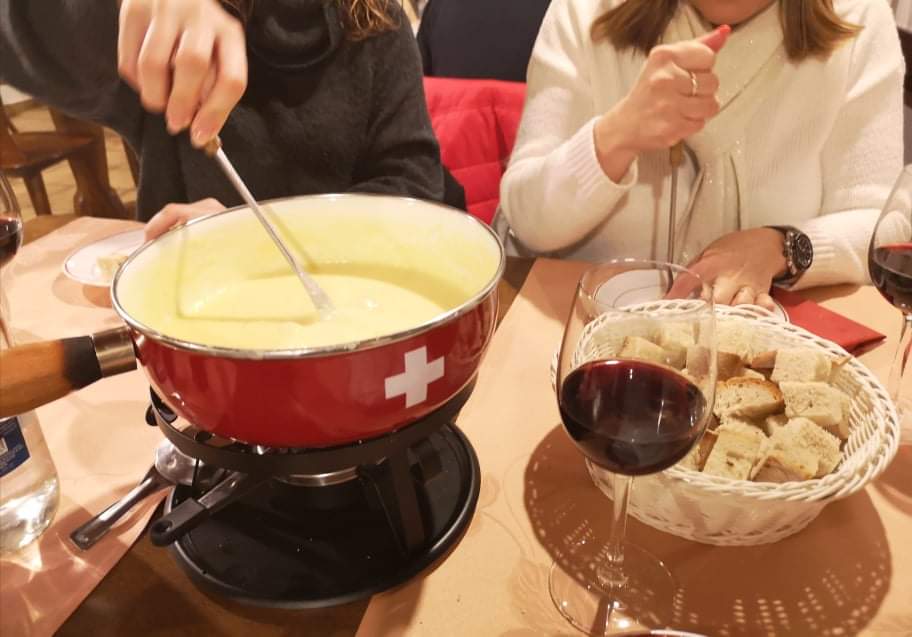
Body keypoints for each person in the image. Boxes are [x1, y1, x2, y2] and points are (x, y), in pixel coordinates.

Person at [497, 0, 905, 308]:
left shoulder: (858, 20)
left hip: (762, 349)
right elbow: (527, 218)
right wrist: (616, 135)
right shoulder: (587, 10)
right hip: (579, 324)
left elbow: (882, 226)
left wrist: (781, 247)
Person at [0, 0, 455, 239]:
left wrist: (248, 236)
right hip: (191, 324)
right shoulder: (179, 24)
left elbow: (412, 187)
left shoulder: (379, 22)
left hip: (353, 307)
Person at [417, 0, 552, 83]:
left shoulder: (439, 8)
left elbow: (420, 88)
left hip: (456, 121)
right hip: (537, 118)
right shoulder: (557, 10)